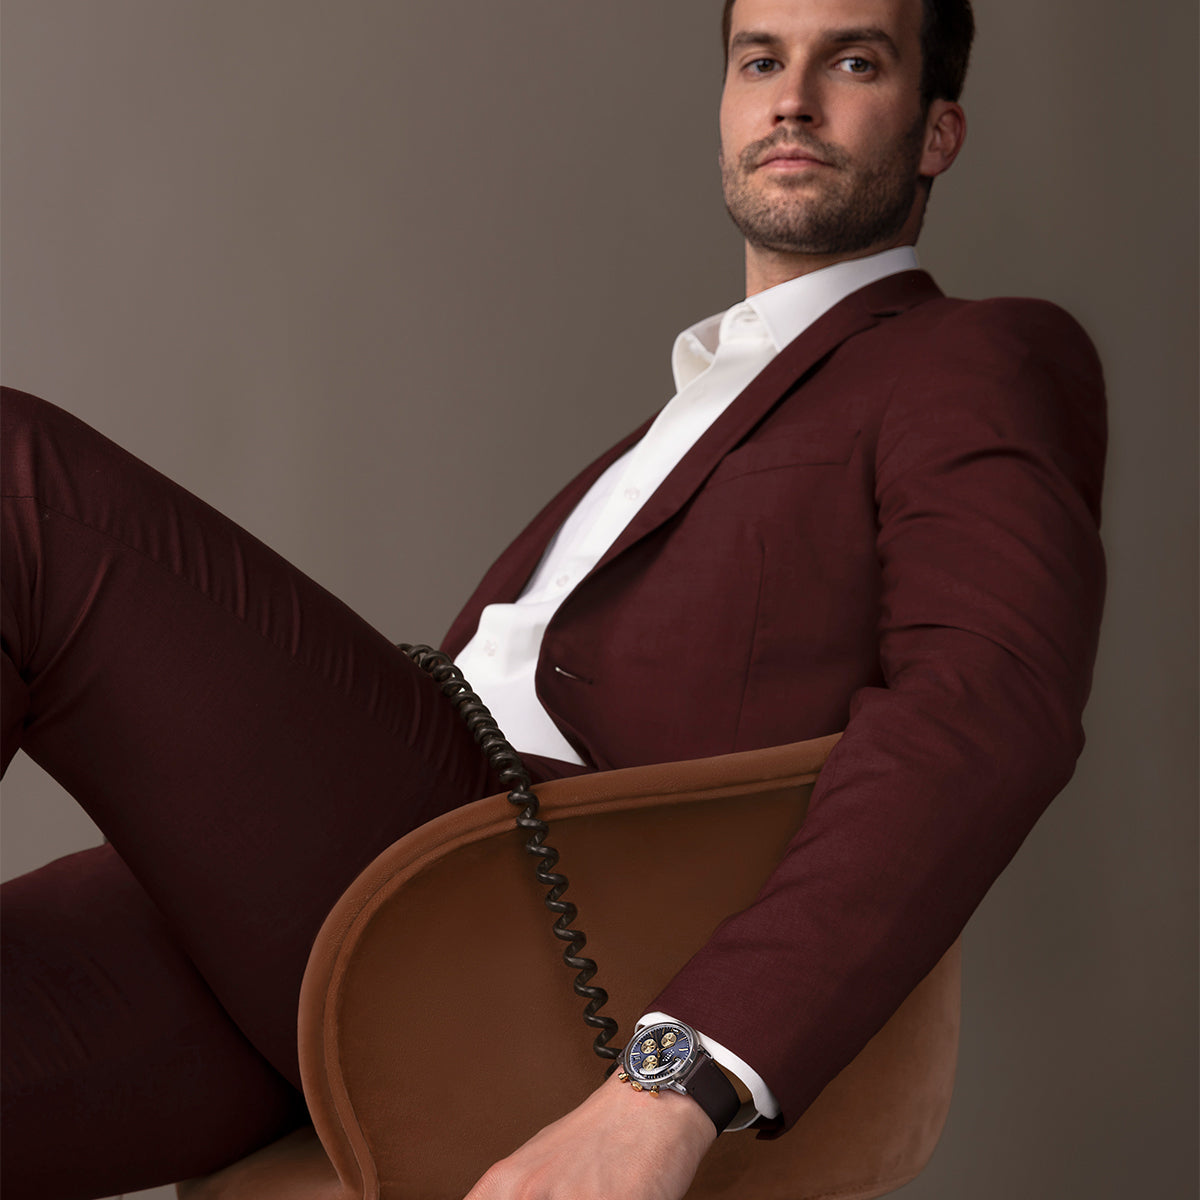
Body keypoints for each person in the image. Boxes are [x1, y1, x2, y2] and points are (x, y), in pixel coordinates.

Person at [0, 0, 1106, 1197]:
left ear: (937, 131)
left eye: (851, 60)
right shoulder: (686, 422)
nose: (791, 96)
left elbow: (986, 709)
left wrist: (672, 1084)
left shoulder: (973, 358)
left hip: (532, 914)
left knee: (18, 490)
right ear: (727, 108)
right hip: (339, 919)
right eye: (758, 60)